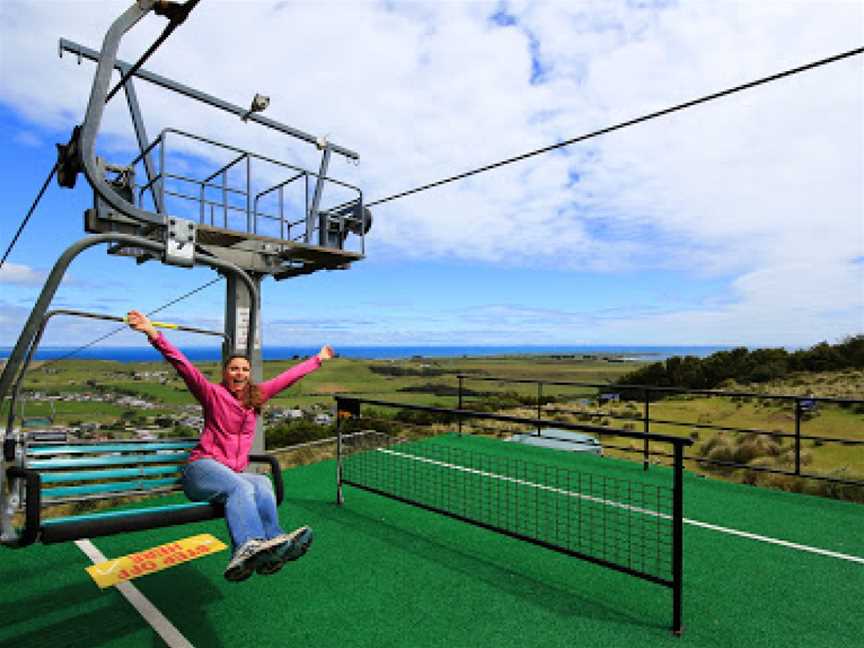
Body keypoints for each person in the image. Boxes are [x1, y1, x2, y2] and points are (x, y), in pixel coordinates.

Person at [126, 309, 334, 582]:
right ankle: (246, 545)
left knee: (262, 482)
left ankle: (274, 545)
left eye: (245, 369)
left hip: (231, 474)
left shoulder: (256, 397)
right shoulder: (212, 393)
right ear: (225, 372)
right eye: (234, 368)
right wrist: (153, 333)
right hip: (201, 470)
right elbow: (182, 365)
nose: (240, 373)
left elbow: (288, 378)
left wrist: (318, 359)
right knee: (243, 486)